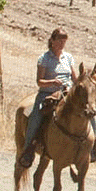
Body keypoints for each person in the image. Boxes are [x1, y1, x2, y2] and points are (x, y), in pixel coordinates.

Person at [22, 27, 74, 163]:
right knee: (35, 116)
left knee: (87, 112)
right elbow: (39, 81)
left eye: (64, 42)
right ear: (52, 41)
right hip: (48, 94)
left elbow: (74, 78)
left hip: (66, 92)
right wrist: (52, 82)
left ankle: (92, 147)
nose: (62, 44)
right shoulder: (44, 58)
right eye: (59, 41)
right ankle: (28, 150)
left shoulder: (68, 57)